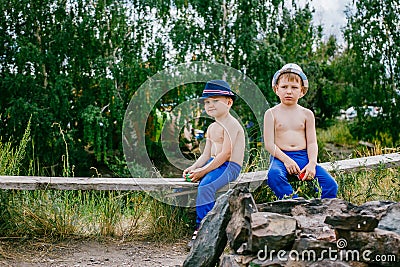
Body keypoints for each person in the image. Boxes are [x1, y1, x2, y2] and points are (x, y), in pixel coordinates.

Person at [183, 79, 245, 246]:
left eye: (215, 101)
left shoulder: (232, 124)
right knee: (189, 181)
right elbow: (206, 154)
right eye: (207, 102)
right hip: (214, 162)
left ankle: (204, 229)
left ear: (229, 102)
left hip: (230, 166)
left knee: (206, 185)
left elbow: (225, 154)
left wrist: (203, 172)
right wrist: (194, 167)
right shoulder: (212, 127)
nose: (210, 105)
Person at [263, 63, 338, 199]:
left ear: (302, 91)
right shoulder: (271, 113)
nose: (289, 91)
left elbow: (312, 143)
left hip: (303, 157)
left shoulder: (307, 114)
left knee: (330, 185)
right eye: (284, 87)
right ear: (276, 89)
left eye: (294, 87)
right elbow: (269, 144)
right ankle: (294, 202)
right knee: (274, 175)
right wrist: (286, 160)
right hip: (280, 157)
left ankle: (323, 212)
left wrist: (312, 164)